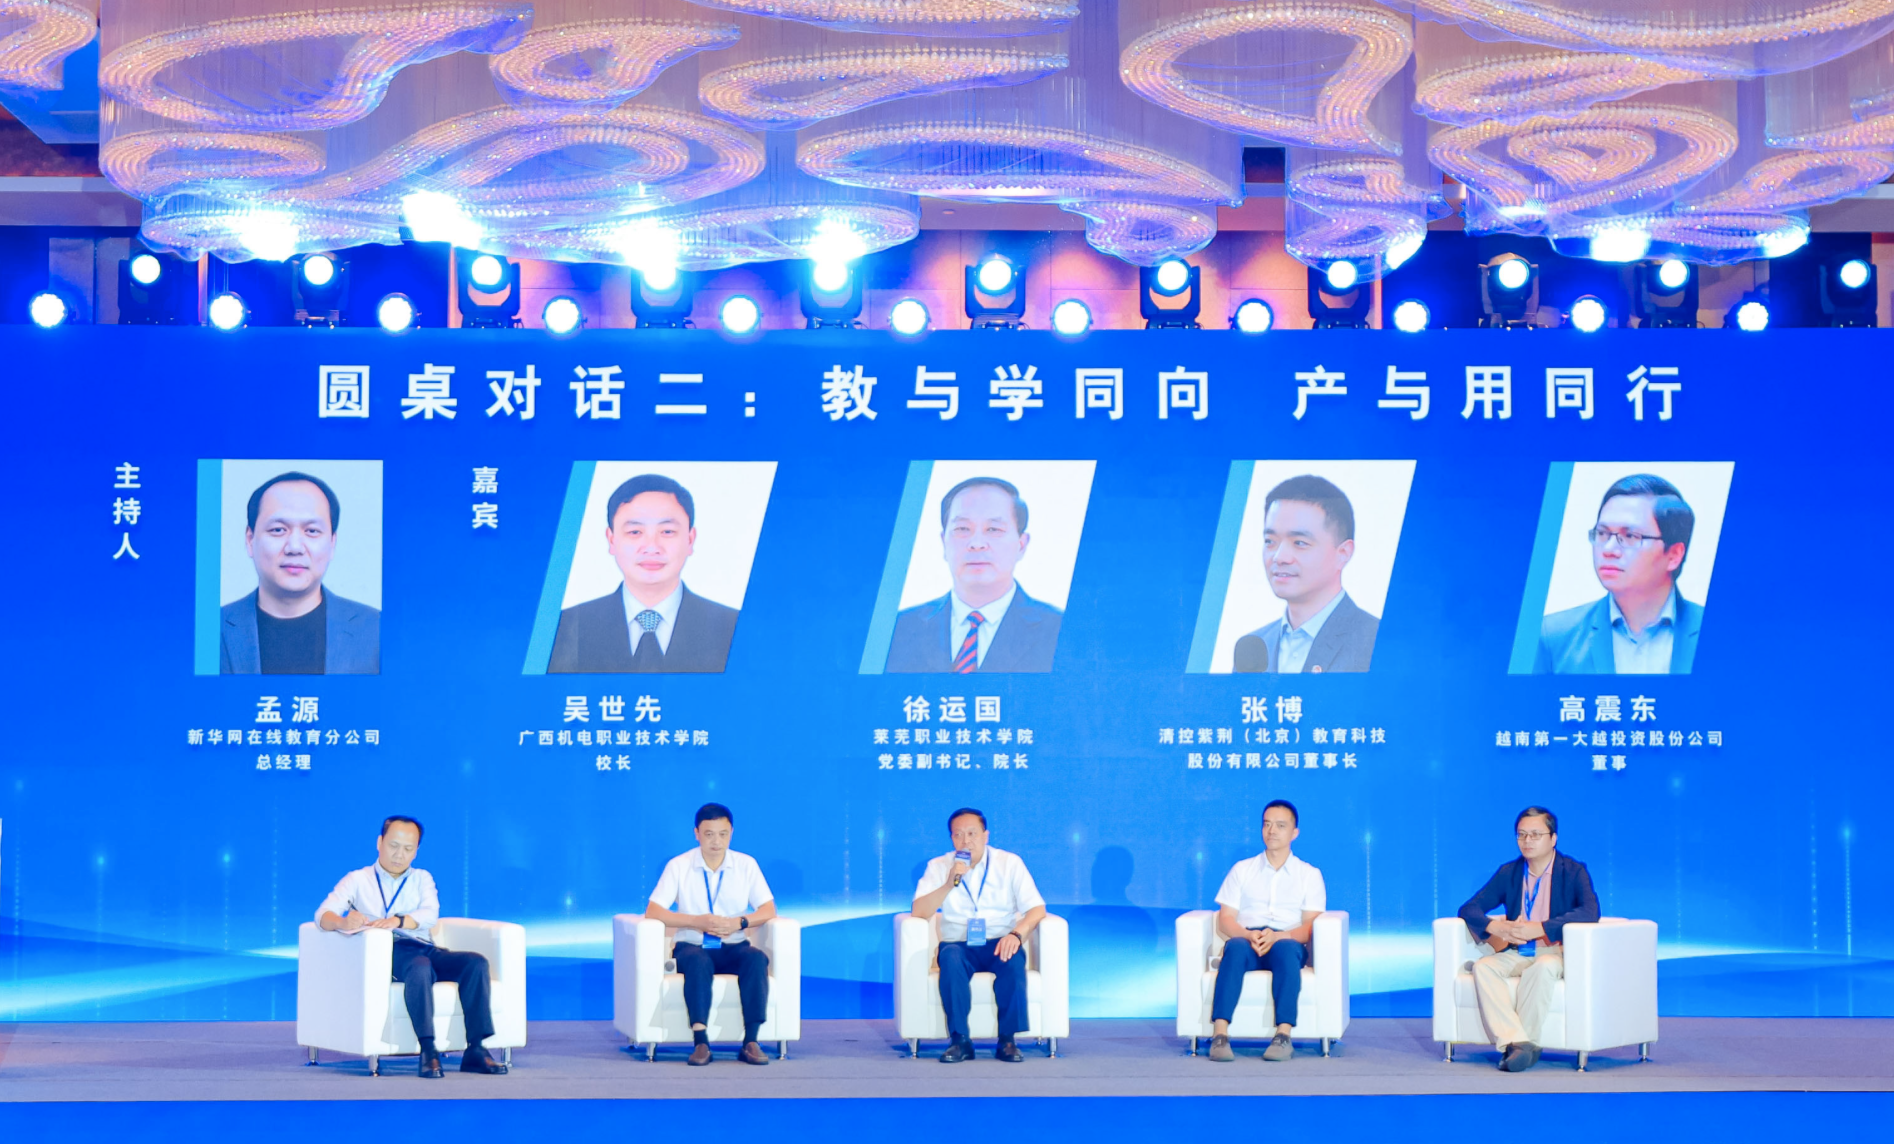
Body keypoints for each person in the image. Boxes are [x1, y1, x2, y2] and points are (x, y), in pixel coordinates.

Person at [315, 816, 506, 1078]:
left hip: (423, 945)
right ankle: (428, 1050)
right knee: (420, 967)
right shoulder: (358, 879)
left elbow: (430, 914)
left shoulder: (421, 878)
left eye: (408, 848)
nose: (399, 855)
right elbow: (322, 914)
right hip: (389, 951)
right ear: (379, 843)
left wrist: (399, 920)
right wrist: (343, 922)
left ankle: (476, 1049)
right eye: (393, 846)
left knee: (475, 963)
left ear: (416, 851)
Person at [1457, 806, 1601, 1072]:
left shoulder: (1573, 871)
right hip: (1518, 951)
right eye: (1521, 835)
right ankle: (1520, 1043)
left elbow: (1590, 912)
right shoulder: (1509, 872)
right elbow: (1469, 908)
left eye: (1535, 834)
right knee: (1484, 967)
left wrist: (1542, 928)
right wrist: (1495, 927)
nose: (1527, 841)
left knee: (1543, 967)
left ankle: (1520, 1047)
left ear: (1553, 838)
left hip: (1555, 951)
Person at [550, 474, 739, 673]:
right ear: (612, 540)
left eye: (667, 532)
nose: (651, 547)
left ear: (690, 540)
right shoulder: (565, 627)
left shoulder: (732, 627)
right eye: (635, 532)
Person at [645, 803, 777, 1065]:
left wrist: (740, 922)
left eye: (723, 834)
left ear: (731, 833)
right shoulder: (679, 865)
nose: (716, 841)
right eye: (709, 834)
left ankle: (751, 1041)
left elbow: (768, 909)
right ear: (696, 833)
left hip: (733, 945)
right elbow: (653, 911)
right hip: (691, 945)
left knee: (756, 958)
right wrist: (696, 922)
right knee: (698, 961)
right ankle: (701, 1042)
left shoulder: (746, 864)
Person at [886, 477, 1063, 673]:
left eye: (993, 529)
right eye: (962, 529)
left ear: (1021, 545)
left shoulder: (1061, 630)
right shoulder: (895, 630)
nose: (977, 543)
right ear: (944, 543)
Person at [911, 807, 1047, 1062]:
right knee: (950, 957)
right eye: (958, 835)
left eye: (972, 833)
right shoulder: (938, 866)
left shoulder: (1009, 863)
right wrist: (949, 883)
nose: (966, 841)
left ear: (986, 835)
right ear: (952, 839)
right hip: (958, 944)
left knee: (1012, 958)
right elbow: (919, 911)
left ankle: (1008, 1040)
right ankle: (960, 1041)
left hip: (1000, 940)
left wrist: (1016, 935)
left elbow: (1037, 909)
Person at [1536, 474, 1704, 674]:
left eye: (1630, 536)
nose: (1608, 549)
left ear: (1674, 555)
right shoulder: (1552, 637)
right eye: (1602, 534)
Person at [221, 471, 379, 674]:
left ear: (332, 543)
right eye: (278, 530)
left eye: (312, 531)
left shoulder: (377, 630)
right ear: (250, 540)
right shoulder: (208, 629)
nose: (294, 547)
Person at [1205, 800, 1326, 1062]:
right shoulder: (1242, 869)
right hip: (1249, 938)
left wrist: (1281, 935)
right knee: (1235, 947)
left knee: (1286, 951)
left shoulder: (1309, 874)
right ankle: (1220, 1034)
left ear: (1294, 833)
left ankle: (1283, 1035)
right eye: (1267, 824)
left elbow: (1310, 927)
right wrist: (1247, 934)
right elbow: (1225, 919)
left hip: (1287, 940)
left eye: (1280, 826)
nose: (1272, 831)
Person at [1233, 475, 1379, 674]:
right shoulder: (1255, 647)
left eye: (1299, 543)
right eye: (1270, 541)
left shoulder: (1375, 642)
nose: (1279, 557)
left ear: (1343, 553)